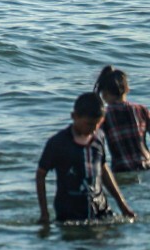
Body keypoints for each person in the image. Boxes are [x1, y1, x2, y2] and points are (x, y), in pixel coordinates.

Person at [36, 92, 134, 227]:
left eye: (97, 124)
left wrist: (123, 205)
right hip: (70, 213)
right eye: (88, 124)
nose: (93, 129)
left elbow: (103, 169)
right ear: (74, 116)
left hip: (101, 209)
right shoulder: (58, 143)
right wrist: (44, 213)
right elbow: (41, 174)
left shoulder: (99, 138)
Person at [95, 66, 150, 175]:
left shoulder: (104, 116)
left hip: (122, 169)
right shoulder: (141, 110)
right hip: (146, 165)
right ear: (127, 89)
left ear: (104, 94)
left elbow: (96, 147)